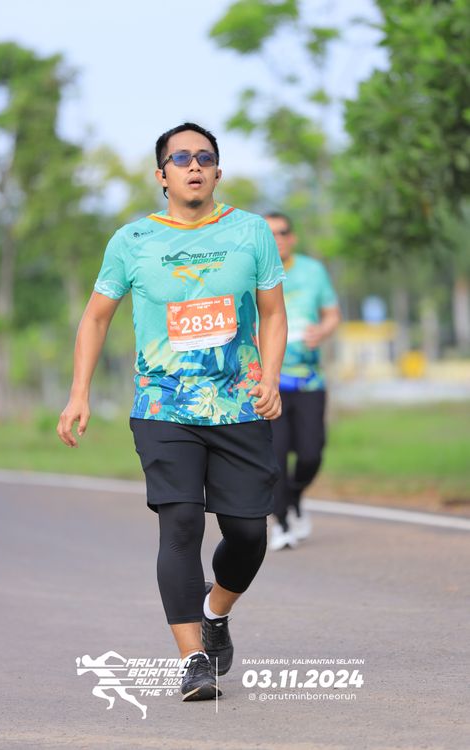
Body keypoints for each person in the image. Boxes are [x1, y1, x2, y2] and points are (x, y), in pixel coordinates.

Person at [57, 123, 287, 702]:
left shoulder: (251, 232)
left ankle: (215, 612)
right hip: (163, 406)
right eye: (181, 158)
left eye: (204, 157)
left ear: (218, 171)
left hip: (239, 405)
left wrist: (270, 378)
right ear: (162, 175)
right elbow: (96, 318)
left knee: (248, 535)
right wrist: (79, 392)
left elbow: (273, 312)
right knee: (181, 524)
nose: (194, 166)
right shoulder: (132, 240)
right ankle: (193, 661)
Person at [264, 212, 340, 551]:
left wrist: (322, 331)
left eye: (282, 232)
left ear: (291, 237)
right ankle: (280, 522)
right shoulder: (251, 272)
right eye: (269, 234)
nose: (277, 239)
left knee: (311, 453)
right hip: (269, 383)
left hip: (309, 381)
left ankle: (294, 496)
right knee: (276, 457)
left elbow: (332, 314)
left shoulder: (312, 271)